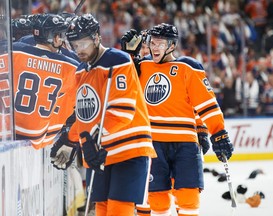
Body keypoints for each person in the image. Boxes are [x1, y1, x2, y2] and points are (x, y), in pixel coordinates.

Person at [121, 23, 234, 216]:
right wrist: (129, 56)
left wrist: (217, 132)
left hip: (185, 144)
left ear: (172, 45)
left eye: (160, 43)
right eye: (152, 43)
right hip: (152, 143)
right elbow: (121, 86)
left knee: (188, 198)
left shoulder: (188, 67)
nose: (154, 47)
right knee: (157, 201)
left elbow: (205, 103)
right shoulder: (141, 66)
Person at [51, 13, 157, 216]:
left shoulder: (118, 60)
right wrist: (71, 139)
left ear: (97, 37)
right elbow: (85, 115)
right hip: (101, 152)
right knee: (101, 209)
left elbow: (122, 112)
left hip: (129, 148)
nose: (78, 50)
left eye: (83, 43)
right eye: (74, 45)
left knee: (118, 210)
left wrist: (91, 141)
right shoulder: (81, 70)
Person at [12, 13, 79, 150]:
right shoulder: (72, 66)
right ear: (54, 37)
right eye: (60, 35)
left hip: (10, 131)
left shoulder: (14, 52)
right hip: (43, 136)